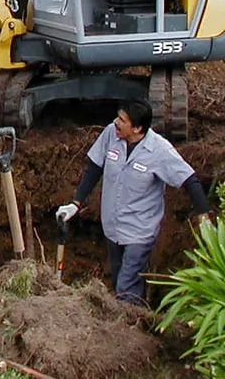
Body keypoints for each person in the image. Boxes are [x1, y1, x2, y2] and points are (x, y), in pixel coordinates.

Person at [55, 98, 210, 305]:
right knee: (120, 279)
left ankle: (128, 320)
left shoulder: (159, 151)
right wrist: (76, 203)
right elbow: (94, 168)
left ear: (137, 128)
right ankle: (135, 312)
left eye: (122, 120)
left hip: (139, 232)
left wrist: (203, 217)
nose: (115, 122)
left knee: (126, 287)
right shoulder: (111, 134)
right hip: (112, 227)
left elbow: (190, 181)